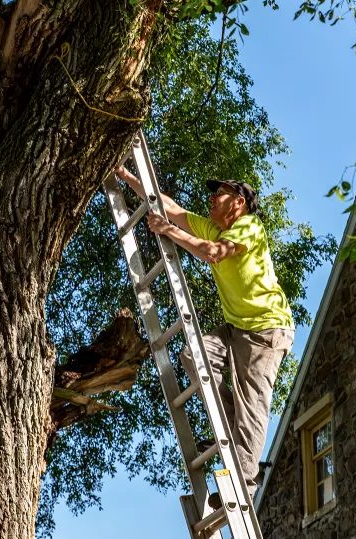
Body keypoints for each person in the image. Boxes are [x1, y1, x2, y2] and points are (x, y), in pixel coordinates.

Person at [114, 166, 295, 503]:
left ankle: (242, 488)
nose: (212, 198)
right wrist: (126, 176)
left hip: (266, 331)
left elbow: (213, 253)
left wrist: (169, 232)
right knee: (193, 356)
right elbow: (172, 208)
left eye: (220, 194)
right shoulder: (213, 227)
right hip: (237, 327)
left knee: (251, 408)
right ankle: (229, 436)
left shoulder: (249, 227)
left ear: (238, 203)